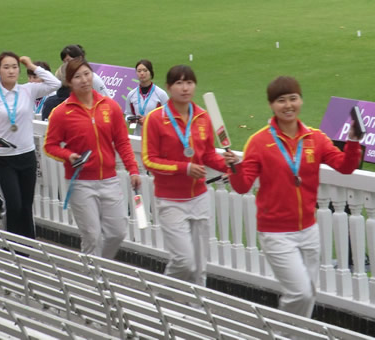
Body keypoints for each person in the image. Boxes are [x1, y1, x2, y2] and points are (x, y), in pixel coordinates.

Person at [228, 76, 362, 317]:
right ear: (271, 105)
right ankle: (284, 333)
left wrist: (352, 140)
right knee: (299, 293)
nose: (288, 105)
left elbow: (345, 167)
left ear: (301, 100)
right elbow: (242, 186)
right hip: (275, 232)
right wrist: (234, 168)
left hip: (309, 230)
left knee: (309, 292)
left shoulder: (315, 138)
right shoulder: (258, 142)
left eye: (293, 98)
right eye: (281, 100)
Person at [141, 65, 230, 286]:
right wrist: (185, 168)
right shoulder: (155, 119)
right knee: (183, 261)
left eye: (189, 82)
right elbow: (149, 160)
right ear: (169, 87)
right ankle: (162, 301)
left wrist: (228, 166)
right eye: (179, 83)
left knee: (199, 267)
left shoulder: (202, 117)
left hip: (199, 197)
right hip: (170, 200)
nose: (185, 88)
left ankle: (198, 310)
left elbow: (208, 154)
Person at [44, 58, 141, 258]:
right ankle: (94, 281)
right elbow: (49, 146)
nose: (84, 80)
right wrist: (68, 155)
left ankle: (99, 269)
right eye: (77, 77)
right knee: (92, 236)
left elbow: (122, 142)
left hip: (109, 180)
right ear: (69, 82)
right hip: (80, 182)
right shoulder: (62, 113)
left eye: (86, 74)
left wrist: (133, 170)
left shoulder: (110, 107)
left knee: (117, 232)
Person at [0, 52, 60, 238]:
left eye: (14, 67)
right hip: (3, 157)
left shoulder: (28, 90)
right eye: (6, 67)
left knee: (26, 205)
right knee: (14, 204)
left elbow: (55, 83)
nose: (11, 71)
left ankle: (29, 245)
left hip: (27, 155)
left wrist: (32, 65)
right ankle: (13, 245)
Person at [125, 59, 169, 136]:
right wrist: (131, 119)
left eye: (145, 70)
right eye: (139, 71)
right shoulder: (131, 95)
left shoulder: (161, 94)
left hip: (156, 137)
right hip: (138, 137)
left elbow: (169, 117)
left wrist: (148, 120)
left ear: (151, 73)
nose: (142, 73)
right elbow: (128, 114)